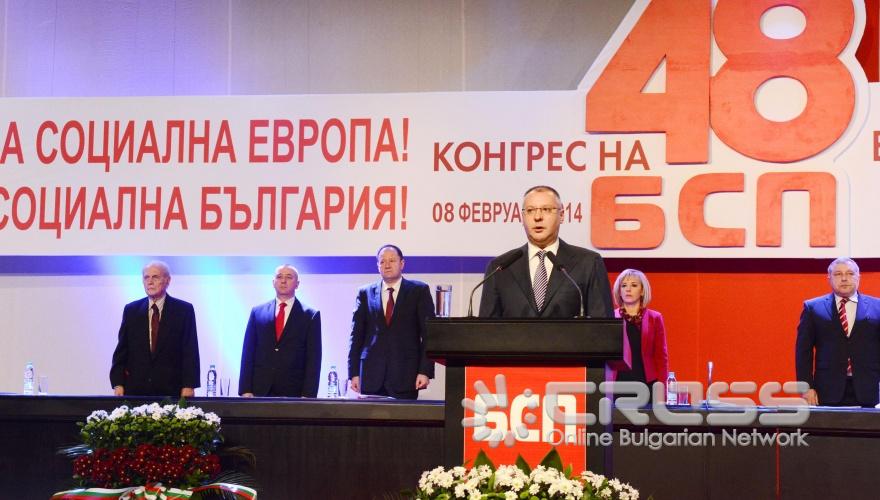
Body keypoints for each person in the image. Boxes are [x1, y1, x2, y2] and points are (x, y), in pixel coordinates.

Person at [479, 185, 613, 318]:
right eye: (530, 210)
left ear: (561, 215)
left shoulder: (588, 263)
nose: (537, 217)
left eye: (546, 209)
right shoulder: (500, 268)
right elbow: (486, 328)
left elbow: (603, 325)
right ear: (522, 217)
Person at [348, 244, 435, 399]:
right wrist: (353, 372)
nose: (387, 265)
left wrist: (425, 371)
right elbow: (356, 336)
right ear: (378, 266)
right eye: (382, 261)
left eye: (392, 260)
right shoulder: (365, 293)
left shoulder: (419, 291)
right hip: (370, 375)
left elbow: (429, 335)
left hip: (405, 375)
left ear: (402, 263)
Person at [796, 257, 880, 407]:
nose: (844, 278)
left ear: (858, 277)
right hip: (827, 389)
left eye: (850, 273)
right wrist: (806, 388)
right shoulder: (813, 308)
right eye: (838, 274)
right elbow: (803, 352)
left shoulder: (877, 307)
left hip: (870, 388)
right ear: (829, 278)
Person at [110, 261, 200, 397]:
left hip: (171, 391)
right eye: (146, 277)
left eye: (155, 277)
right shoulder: (131, 310)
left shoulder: (183, 310)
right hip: (136, 390)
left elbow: (190, 350)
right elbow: (121, 351)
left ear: (167, 280)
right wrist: (118, 383)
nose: (150, 282)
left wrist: (189, 385)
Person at [238, 265, 322, 398]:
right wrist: (245, 389)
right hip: (259, 390)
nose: (283, 281)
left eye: (289, 277)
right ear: (273, 282)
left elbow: (314, 358)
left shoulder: (310, 315)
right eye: (279, 277)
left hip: (294, 392)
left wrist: (308, 395)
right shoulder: (257, 312)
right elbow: (248, 352)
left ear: (297, 284)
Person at [612, 269, 669, 387]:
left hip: (647, 382)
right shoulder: (611, 317)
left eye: (634, 285)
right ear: (619, 291)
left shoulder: (655, 318)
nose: (628, 289)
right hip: (618, 383)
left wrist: (662, 388)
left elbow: (661, 357)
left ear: (642, 291)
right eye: (624, 286)